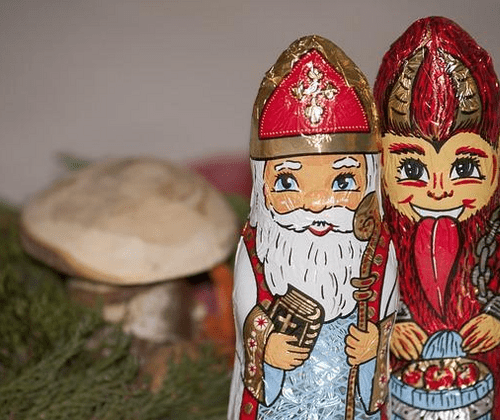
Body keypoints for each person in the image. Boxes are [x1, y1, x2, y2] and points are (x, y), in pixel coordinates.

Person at [228, 35, 398, 420]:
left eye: (342, 182)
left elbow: (389, 314)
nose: (317, 204)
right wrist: (266, 347)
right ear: (263, 185)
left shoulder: (377, 249)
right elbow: (245, 314)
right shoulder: (256, 250)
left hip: (349, 400)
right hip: (281, 402)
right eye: (289, 182)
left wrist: (373, 345)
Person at [374, 16, 500, 419]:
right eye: (412, 169)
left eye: (464, 167)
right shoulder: (374, 233)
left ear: (495, 165)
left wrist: (495, 317)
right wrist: (390, 326)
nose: (439, 189)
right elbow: (359, 293)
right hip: (402, 387)